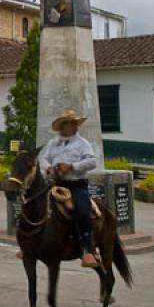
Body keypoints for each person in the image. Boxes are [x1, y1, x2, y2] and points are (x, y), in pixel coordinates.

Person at [38, 108, 99, 268]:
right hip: (56, 184)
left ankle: (87, 249)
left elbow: (92, 162)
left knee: (82, 210)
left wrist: (71, 166)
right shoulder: (53, 143)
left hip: (76, 185)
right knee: (36, 205)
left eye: (74, 123)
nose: (73, 126)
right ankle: (32, 243)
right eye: (69, 123)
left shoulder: (83, 144)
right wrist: (49, 168)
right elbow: (43, 158)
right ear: (62, 126)